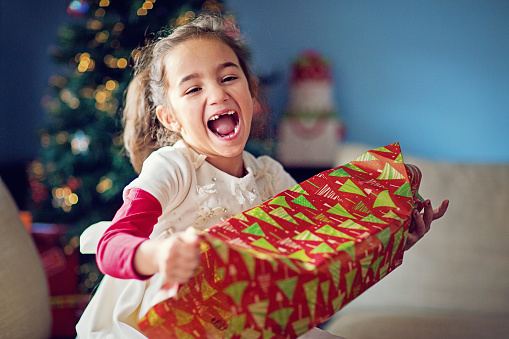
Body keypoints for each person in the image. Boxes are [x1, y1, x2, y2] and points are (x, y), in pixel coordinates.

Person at [76, 14, 448, 338]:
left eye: (228, 77)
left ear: (252, 93)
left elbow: (322, 254)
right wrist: (154, 255)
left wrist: (392, 237)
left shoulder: (270, 176)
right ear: (170, 118)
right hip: (169, 322)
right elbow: (112, 245)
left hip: (247, 320)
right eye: (193, 88)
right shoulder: (172, 168)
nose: (218, 93)